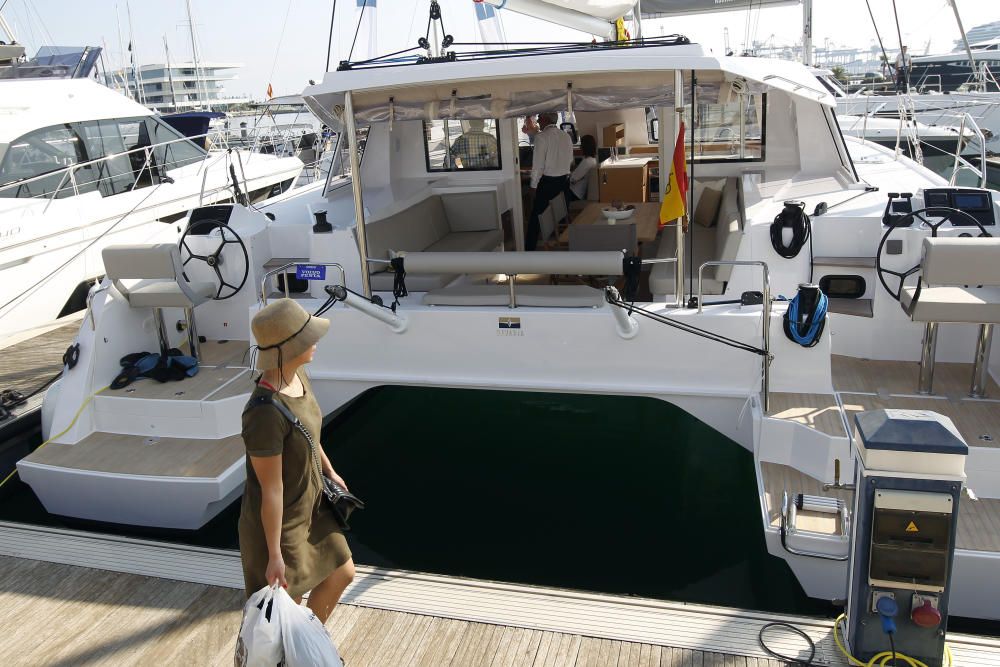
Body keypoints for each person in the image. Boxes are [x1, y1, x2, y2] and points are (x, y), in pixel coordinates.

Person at [240, 299, 355, 624]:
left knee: (342, 571)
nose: (315, 342)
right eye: (307, 337)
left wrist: (329, 471)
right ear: (288, 348)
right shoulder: (263, 412)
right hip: (280, 526)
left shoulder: (298, 375)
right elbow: (271, 491)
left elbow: (308, 432)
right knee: (282, 612)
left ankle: (306, 644)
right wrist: (274, 555)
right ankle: (291, 654)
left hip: (312, 506)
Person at [526, 112, 573, 251]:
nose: (538, 119)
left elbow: (538, 166)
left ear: (546, 119)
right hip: (564, 183)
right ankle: (562, 244)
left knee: (536, 218)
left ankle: (529, 251)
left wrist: (533, 186)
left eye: (540, 117)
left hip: (548, 184)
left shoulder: (541, 138)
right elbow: (570, 161)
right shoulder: (566, 136)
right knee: (559, 215)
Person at [566, 134, 597, 202]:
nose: (580, 147)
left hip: (574, 193)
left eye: (581, 145)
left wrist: (568, 174)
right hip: (579, 193)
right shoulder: (593, 160)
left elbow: (572, 180)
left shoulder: (586, 162)